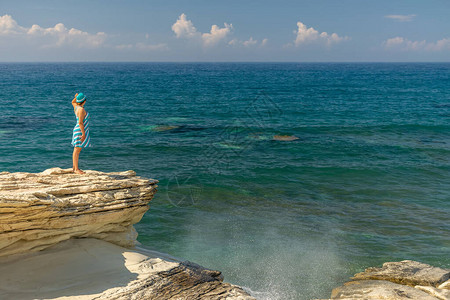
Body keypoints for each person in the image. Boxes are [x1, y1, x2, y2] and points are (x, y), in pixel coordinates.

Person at [71, 93, 90, 174]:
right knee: (77, 150)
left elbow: (73, 102)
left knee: (76, 149)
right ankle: (76, 169)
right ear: (84, 101)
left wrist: (76, 97)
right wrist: (83, 134)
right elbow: (80, 123)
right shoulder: (81, 110)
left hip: (77, 130)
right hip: (80, 131)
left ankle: (74, 168)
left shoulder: (76, 107)